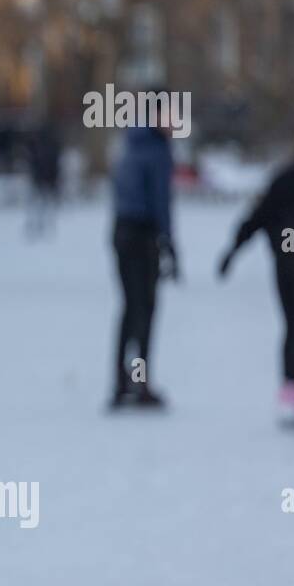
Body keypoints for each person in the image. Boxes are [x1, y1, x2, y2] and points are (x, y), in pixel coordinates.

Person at [217, 111, 294, 426]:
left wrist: (234, 249)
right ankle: (292, 392)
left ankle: (289, 392)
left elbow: (261, 213)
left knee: (291, 325)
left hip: (285, 256)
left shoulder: (287, 174)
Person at [109, 94, 178, 409]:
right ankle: (139, 381)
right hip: (142, 234)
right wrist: (168, 242)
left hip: (121, 232)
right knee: (146, 309)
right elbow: (161, 201)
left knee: (130, 308)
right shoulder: (158, 150)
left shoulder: (130, 143)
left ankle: (121, 380)